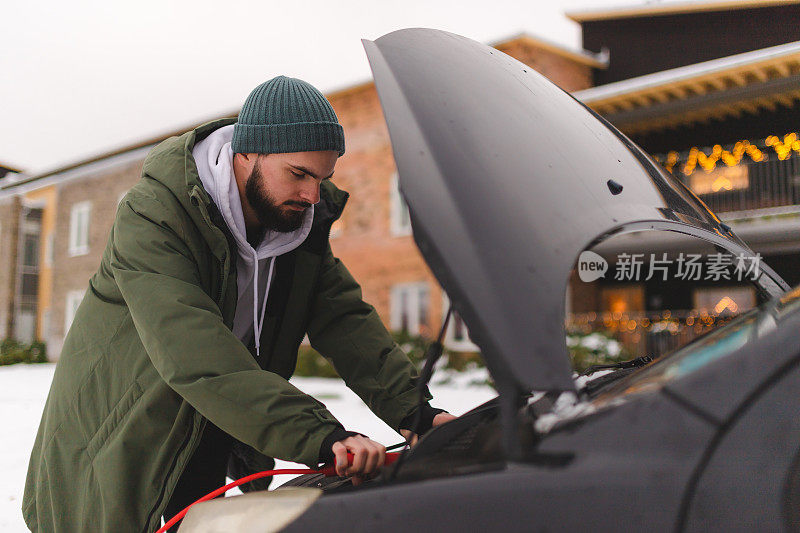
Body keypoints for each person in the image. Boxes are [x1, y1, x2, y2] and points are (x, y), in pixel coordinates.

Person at [23, 76, 454, 533]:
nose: (312, 195)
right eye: (299, 174)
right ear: (246, 154)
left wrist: (417, 412)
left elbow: (347, 325)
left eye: (323, 178)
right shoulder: (156, 214)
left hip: (210, 421)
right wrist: (321, 436)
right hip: (122, 438)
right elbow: (194, 350)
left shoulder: (298, 230)